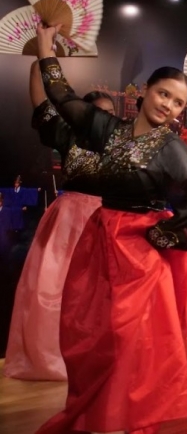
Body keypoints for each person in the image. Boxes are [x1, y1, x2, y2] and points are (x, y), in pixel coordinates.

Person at [33, 24, 187, 433]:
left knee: (132, 336)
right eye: (163, 94)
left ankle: (135, 415)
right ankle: (105, 413)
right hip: (102, 238)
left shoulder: (170, 147)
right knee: (95, 332)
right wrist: (46, 48)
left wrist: (162, 236)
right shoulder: (108, 129)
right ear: (145, 92)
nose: (168, 105)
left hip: (140, 251)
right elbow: (63, 97)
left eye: (178, 102)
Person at [4, 63, 114, 381]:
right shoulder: (68, 136)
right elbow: (41, 104)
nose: (104, 117)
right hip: (69, 220)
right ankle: (51, 355)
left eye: (109, 113)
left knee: (101, 291)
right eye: (97, 111)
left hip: (107, 220)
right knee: (53, 288)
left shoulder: (122, 144)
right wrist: (36, 65)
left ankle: (99, 354)